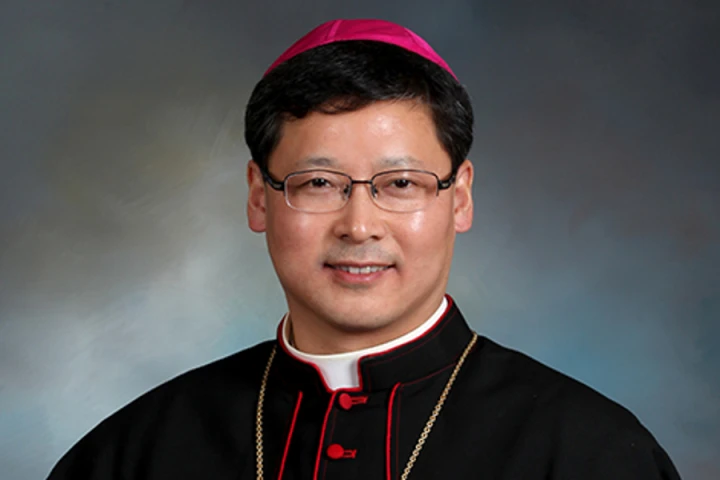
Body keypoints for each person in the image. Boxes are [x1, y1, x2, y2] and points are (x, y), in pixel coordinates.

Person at [47, 18, 682, 480]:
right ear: (259, 198)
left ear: (459, 198)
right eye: (318, 183)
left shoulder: (590, 452)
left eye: (400, 184)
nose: (359, 226)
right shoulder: (135, 452)